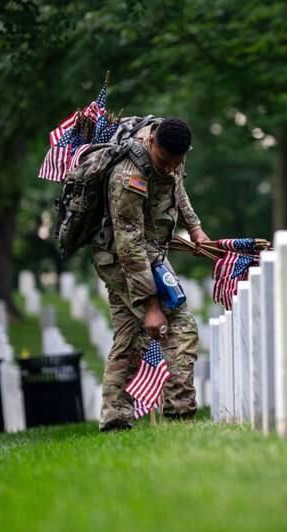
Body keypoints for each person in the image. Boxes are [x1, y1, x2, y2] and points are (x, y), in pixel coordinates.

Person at [91, 117, 209, 431]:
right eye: (163, 161)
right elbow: (128, 243)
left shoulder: (171, 156)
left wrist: (195, 228)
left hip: (148, 250)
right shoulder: (128, 175)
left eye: (177, 162)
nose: (169, 168)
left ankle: (115, 419)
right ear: (152, 142)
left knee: (130, 337)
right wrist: (153, 306)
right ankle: (179, 413)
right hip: (122, 257)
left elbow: (176, 189)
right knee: (180, 324)